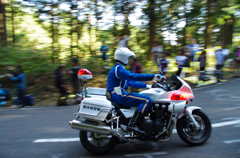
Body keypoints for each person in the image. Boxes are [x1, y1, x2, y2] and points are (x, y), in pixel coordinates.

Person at [106, 47, 164, 131]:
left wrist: (148, 86)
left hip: (117, 94)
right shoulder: (119, 69)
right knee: (147, 100)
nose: (130, 60)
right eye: (129, 58)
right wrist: (153, 76)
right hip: (119, 95)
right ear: (123, 57)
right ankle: (135, 124)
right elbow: (132, 76)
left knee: (142, 97)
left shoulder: (118, 69)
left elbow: (129, 82)